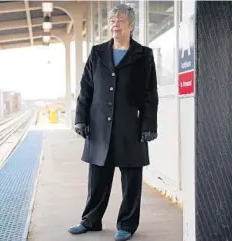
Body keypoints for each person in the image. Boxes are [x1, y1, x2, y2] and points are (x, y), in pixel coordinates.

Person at [69, 4, 158, 241]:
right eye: (111, 21)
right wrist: (80, 119)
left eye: (120, 21)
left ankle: (127, 225)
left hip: (130, 126)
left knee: (131, 180)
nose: (114, 24)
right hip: (99, 126)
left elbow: (150, 94)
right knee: (97, 178)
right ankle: (90, 220)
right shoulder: (97, 52)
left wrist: (149, 125)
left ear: (131, 26)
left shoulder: (144, 55)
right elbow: (86, 89)